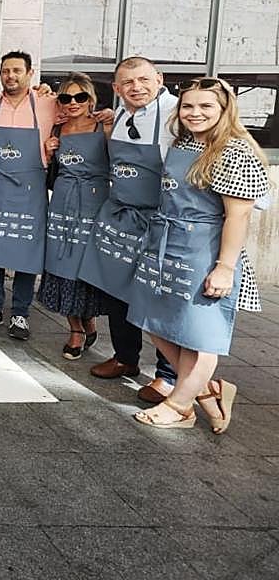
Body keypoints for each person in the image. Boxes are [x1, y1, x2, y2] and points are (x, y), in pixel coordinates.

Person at [129, 78, 268, 432]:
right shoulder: (183, 143)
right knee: (154, 323)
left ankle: (180, 405)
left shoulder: (236, 151)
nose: (195, 113)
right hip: (166, 244)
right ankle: (208, 390)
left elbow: (238, 216)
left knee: (199, 336)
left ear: (224, 110)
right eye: (188, 106)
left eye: (206, 106)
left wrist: (224, 268)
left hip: (205, 250)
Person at [79, 56, 179, 404]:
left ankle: (168, 375)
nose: (136, 88)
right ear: (117, 88)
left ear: (159, 79)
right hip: (121, 216)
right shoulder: (118, 114)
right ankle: (125, 358)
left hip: (157, 219)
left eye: (143, 80)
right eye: (127, 83)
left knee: (157, 298)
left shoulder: (175, 116)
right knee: (118, 292)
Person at [0, 51, 56, 341]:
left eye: (16, 71)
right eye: (5, 71)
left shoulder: (47, 103)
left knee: (28, 250)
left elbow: (79, 118)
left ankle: (21, 313)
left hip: (30, 188)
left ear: (30, 73)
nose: (10, 76)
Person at [39, 73, 110, 359]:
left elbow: (118, 158)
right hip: (63, 201)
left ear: (90, 99)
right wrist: (48, 151)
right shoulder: (57, 130)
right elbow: (49, 171)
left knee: (85, 263)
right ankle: (75, 329)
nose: (72, 103)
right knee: (60, 261)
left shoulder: (103, 126)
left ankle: (88, 319)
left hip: (93, 202)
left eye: (80, 97)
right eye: (66, 97)